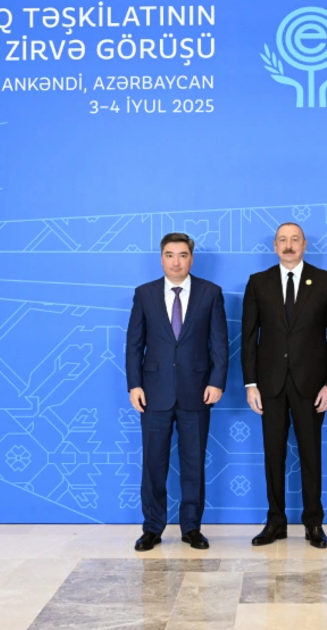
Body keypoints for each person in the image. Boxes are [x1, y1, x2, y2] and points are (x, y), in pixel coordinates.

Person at [241, 222, 327, 549]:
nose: (289, 245)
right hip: (269, 385)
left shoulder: (326, 281)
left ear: (304, 245)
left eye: (295, 239)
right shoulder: (258, 282)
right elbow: (248, 338)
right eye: (283, 240)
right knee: (273, 455)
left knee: (311, 454)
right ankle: (275, 522)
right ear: (274, 246)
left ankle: (313, 523)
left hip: (312, 386)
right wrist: (250, 383)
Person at [125, 232, 228, 551]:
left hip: (197, 391)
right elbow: (134, 344)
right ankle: (152, 527)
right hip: (153, 393)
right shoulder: (145, 294)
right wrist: (134, 385)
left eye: (182, 255)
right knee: (153, 463)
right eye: (169, 255)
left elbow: (220, 343)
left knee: (193, 462)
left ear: (191, 258)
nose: (176, 261)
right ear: (161, 259)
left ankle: (191, 527)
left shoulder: (210, 293)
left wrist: (217, 381)